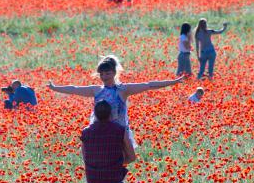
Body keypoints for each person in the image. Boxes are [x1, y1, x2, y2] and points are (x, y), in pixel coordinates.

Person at [48, 55, 185, 147]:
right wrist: (55, 88)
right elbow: (74, 89)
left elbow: (149, 85)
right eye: (101, 74)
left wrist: (173, 82)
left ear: (114, 73)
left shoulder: (123, 89)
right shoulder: (96, 90)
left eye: (107, 73)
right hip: (101, 132)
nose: (104, 76)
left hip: (119, 134)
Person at [79, 100, 136, 183]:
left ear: (95, 115)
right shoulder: (119, 130)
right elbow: (132, 157)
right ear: (111, 114)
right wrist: (117, 164)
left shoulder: (86, 132)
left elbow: (84, 157)